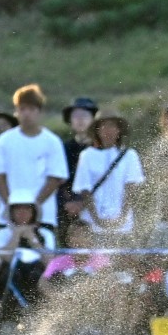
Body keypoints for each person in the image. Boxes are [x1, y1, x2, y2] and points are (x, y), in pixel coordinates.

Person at [0, 84, 67, 232]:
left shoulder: (52, 141)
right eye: (22, 109)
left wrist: (34, 208)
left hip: (43, 215)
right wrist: (12, 207)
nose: (27, 114)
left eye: (31, 109)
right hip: (8, 216)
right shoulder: (4, 140)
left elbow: (55, 178)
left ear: (40, 112)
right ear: (16, 111)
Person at [72, 111, 144, 242]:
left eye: (112, 126)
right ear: (97, 131)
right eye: (103, 126)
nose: (107, 130)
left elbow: (131, 188)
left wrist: (122, 217)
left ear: (119, 130)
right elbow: (84, 190)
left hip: (123, 223)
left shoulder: (130, 155)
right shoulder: (87, 155)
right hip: (91, 223)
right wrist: (97, 220)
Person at [0, 190, 55, 325]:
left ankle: (34, 317)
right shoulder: (0, 234)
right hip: (10, 272)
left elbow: (50, 262)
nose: (22, 213)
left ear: (33, 212)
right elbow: (5, 259)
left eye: (27, 209)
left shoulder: (45, 234)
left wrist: (32, 239)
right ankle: (9, 318)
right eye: (18, 209)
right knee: (12, 276)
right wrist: (16, 235)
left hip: (36, 271)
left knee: (36, 276)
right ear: (11, 212)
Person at [58, 96, 98, 239]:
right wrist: (68, 202)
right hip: (68, 209)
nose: (80, 120)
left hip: (96, 207)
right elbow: (59, 179)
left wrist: (83, 202)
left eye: (85, 115)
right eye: (75, 116)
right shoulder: (63, 148)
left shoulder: (100, 149)